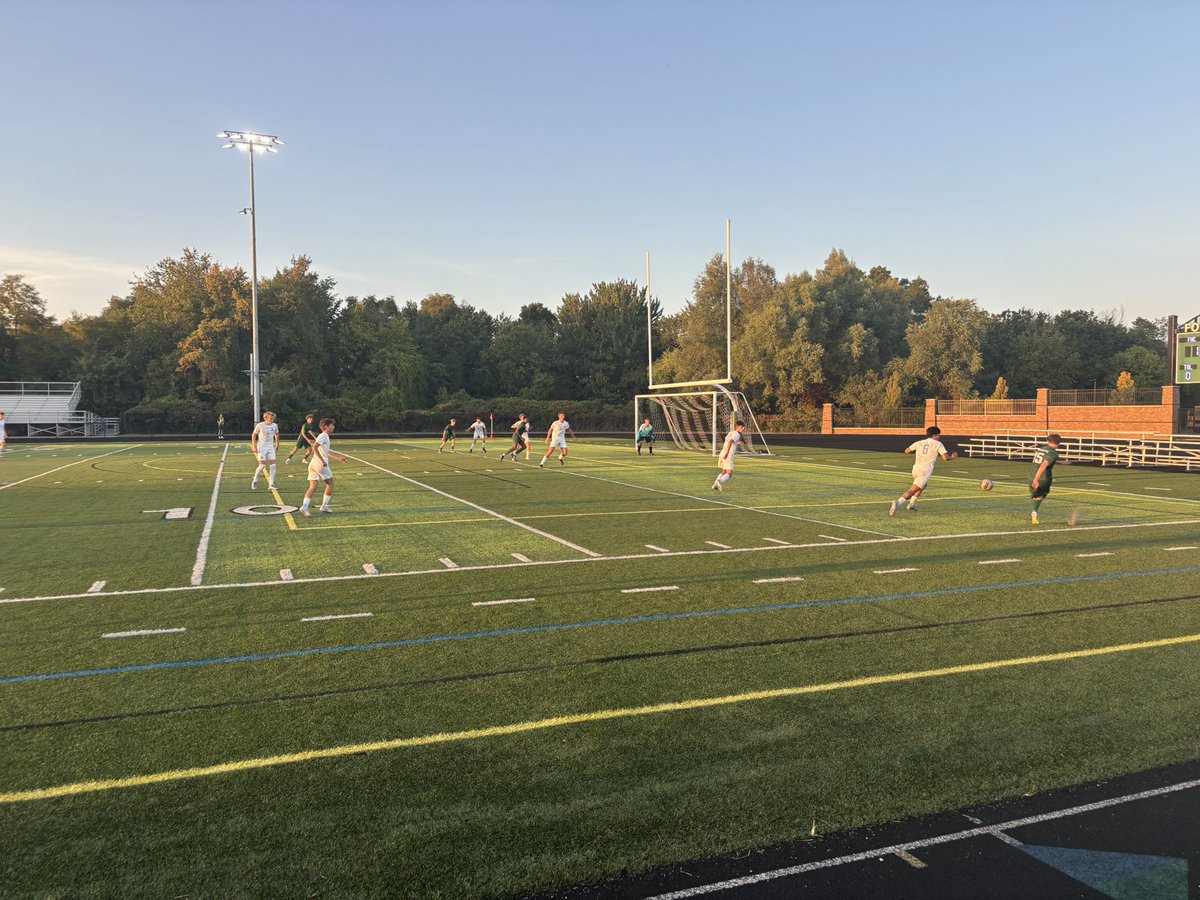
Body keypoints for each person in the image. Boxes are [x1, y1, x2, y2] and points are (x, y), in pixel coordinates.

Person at [890, 426, 957, 516]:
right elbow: (945, 458)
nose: (939, 437)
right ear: (934, 435)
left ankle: (911, 504)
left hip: (916, 469)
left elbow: (906, 450)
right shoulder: (938, 444)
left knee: (923, 486)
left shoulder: (920, 442)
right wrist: (953, 457)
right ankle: (898, 502)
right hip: (925, 470)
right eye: (938, 435)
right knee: (913, 490)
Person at [302, 418, 348, 517]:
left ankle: (304, 507)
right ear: (326, 427)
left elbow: (326, 452)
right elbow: (314, 448)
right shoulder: (323, 436)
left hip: (313, 464)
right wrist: (322, 461)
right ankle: (324, 506)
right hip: (319, 464)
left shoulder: (324, 436)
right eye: (331, 425)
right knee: (330, 483)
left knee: (312, 487)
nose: (333, 427)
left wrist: (339, 458)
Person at [1029, 433, 1062, 526]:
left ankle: (1034, 510)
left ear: (1048, 441)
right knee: (1042, 494)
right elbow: (1043, 465)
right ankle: (1034, 512)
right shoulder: (1054, 453)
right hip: (1043, 478)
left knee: (1036, 496)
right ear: (1058, 443)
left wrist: (1034, 478)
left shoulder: (1041, 448)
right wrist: (1037, 479)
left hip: (1030, 475)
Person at [712, 420, 746, 492]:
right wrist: (727, 453)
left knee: (724, 472)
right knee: (729, 474)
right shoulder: (737, 434)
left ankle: (714, 486)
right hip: (728, 455)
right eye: (743, 427)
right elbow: (730, 442)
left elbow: (728, 442)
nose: (744, 429)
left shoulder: (731, 432)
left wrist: (737, 444)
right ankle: (719, 482)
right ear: (740, 427)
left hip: (722, 453)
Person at [250, 411, 280, 491]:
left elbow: (277, 434)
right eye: (270, 418)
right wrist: (254, 446)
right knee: (262, 466)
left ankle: (271, 484)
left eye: (273, 418)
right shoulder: (260, 425)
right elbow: (254, 435)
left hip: (270, 446)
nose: (272, 420)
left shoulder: (275, 425)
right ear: (265, 418)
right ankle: (255, 479)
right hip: (262, 447)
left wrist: (277, 444)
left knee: (273, 465)